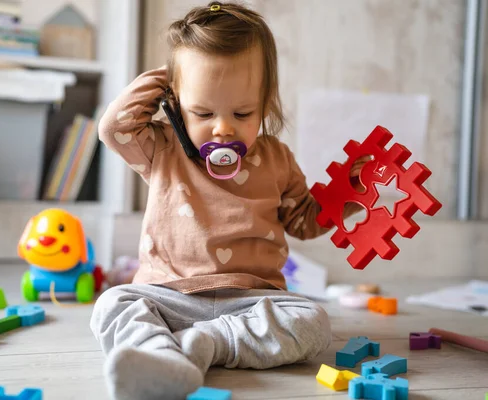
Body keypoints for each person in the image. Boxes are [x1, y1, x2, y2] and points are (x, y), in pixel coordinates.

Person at [90, 2, 366, 399]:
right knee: (113, 303)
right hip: (170, 294)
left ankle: (204, 344)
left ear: (266, 102)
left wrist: (349, 193)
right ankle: (158, 359)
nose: (222, 128)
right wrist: (170, 78)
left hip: (253, 301)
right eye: (202, 111)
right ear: (176, 101)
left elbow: (305, 220)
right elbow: (113, 128)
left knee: (314, 322)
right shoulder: (162, 147)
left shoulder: (277, 159)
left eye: (242, 112)